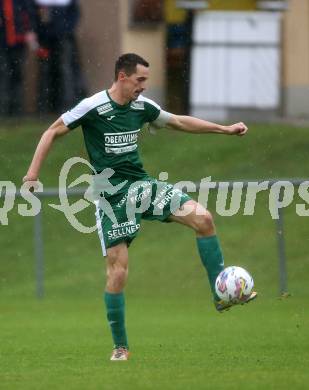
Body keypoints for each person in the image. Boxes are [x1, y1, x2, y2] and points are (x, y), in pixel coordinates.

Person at [23, 53, 257, 361]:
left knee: (203, 218)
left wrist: (224, 129)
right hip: (111, 199)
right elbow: (52, 131)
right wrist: (32, 174)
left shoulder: (141, 108)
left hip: (142, 186)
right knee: (118, 274)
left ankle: (219, 293)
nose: (144, 87)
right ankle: (120, 347)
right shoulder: (92, 107)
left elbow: (178, 121)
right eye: (140, 80)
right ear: (123, 76)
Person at [0, 0, 37, 116]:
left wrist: (30, 30)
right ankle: (4, 108)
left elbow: (29, 14)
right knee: (3, 76)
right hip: (2, 42)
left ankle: (16, 108)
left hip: (17, 42)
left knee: (17, 75)